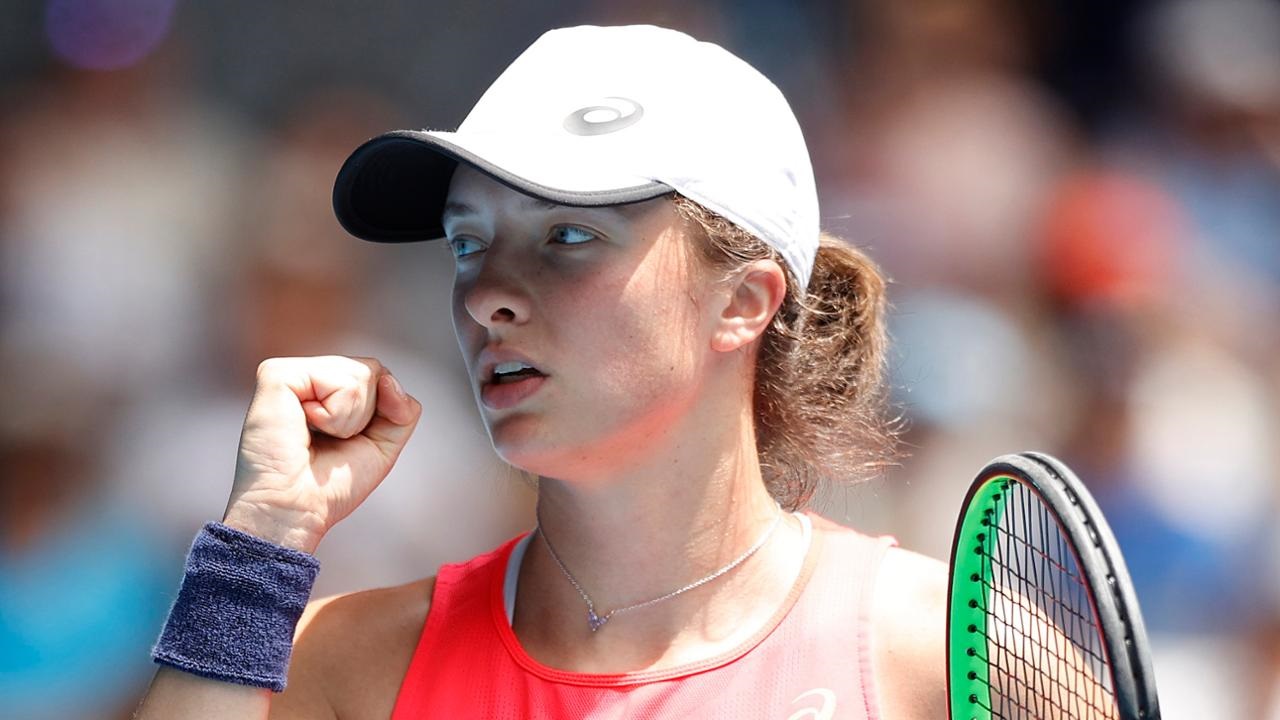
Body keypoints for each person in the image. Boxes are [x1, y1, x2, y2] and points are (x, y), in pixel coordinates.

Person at [135, 25, 947, 719]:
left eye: (568, 236)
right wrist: (261, 539)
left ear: (742, 302)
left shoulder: (933, 651)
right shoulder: (342, 663)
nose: (485, 295)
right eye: (468, 243)